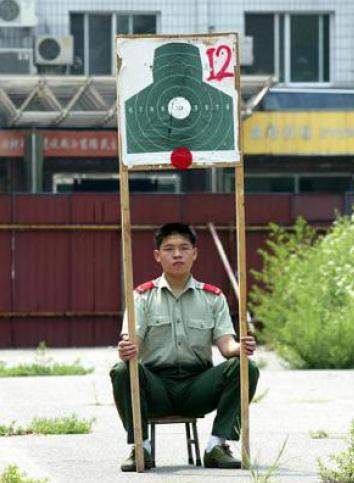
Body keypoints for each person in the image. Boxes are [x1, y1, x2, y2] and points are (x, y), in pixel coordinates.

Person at [110, 222, 259, 471]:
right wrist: (126, 349)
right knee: (122, 370)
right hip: (155, 388)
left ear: (194, 253)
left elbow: (226, 345)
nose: (177, 254)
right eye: (169, 249)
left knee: (246, 368)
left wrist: (240, 347)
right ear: (158, 256)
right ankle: (140, 447)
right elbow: (131, 342)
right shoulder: (142, 297)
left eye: (183, 248)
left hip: (198, 387)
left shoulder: (213, 297)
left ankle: (216, 446)